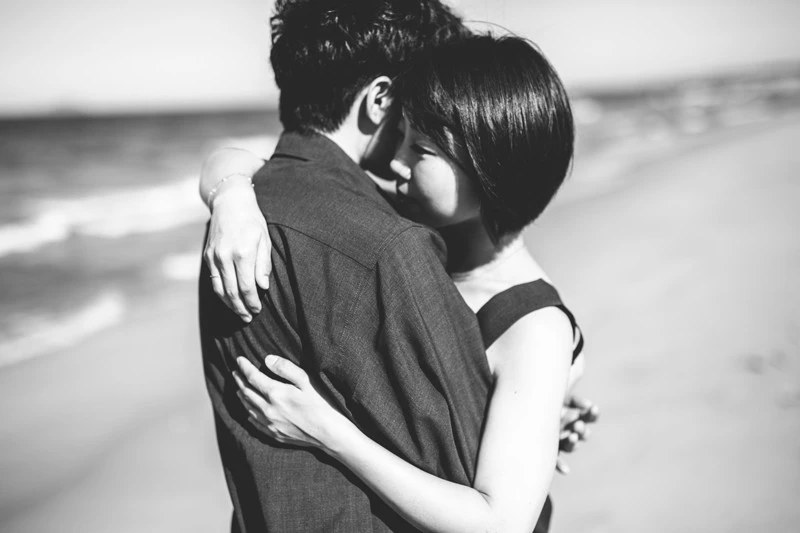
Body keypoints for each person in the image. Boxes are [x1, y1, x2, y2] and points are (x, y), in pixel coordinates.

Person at [202, 30, 597, 533]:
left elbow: (499, 523)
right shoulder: (412, 229)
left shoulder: (535, 326)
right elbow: (249, 165)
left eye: (422, 149)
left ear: (490, 162)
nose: (395, 163)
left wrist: (329, 433)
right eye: (403, 137)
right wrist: (232, 198)